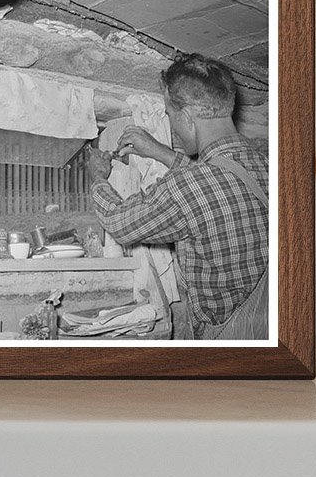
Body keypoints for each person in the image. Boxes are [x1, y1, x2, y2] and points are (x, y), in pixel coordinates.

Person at [86, 53, 269, 340]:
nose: (172, 125)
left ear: (185, 117)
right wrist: (160, 151)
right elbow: (218, 181)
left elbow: (119, 222)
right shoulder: (267, 164)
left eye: (170, 117)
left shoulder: (188, 186)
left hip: (231, 338)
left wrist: (98, 175)